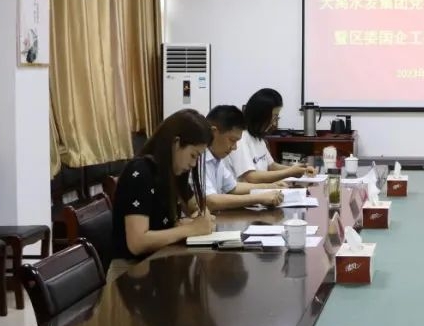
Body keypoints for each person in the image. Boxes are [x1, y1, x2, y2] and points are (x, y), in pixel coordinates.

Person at [112, 109, 217, 269]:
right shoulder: (141, 172)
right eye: (193, 155)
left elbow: (198, 208)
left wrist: (198, 219)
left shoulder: (175, 172)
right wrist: (190, 229)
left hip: (160, 262)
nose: (194, 164)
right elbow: (137, 243)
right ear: (176, 143)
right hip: (131, 270)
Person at [200, 105, 298, 211]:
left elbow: (233, 187)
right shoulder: (197, 157)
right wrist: (258, 198)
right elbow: (210, 201)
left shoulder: (216, 158)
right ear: (214, 132)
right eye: (232, 140)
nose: (234, 147)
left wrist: (271, 186)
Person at [225, 88, 314, 184]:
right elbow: (251, 177)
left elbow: (271, 166)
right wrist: (289, 172)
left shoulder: (258, 137)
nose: (275, 122)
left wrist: (300, 169)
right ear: (261, 115)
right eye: (274, 116)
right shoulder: (240, 138)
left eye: (277, 117)